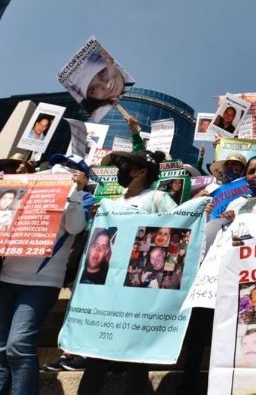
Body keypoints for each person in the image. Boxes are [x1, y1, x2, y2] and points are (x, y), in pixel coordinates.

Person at [77, 150, 177, 395]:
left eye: (124, 165)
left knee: (135, 356)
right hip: (108, 287)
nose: (119, 168)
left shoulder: (157, 197)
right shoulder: (113, 203)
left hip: (137, 288)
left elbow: (177, 226)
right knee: (97, 354)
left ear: (140, 172)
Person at [0, 168, 88, 395]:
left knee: (19, 345)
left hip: (42, 283)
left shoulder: (74, 198)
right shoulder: (25, 194)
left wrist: (77, 192)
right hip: (6, 278)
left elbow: (76, 227)